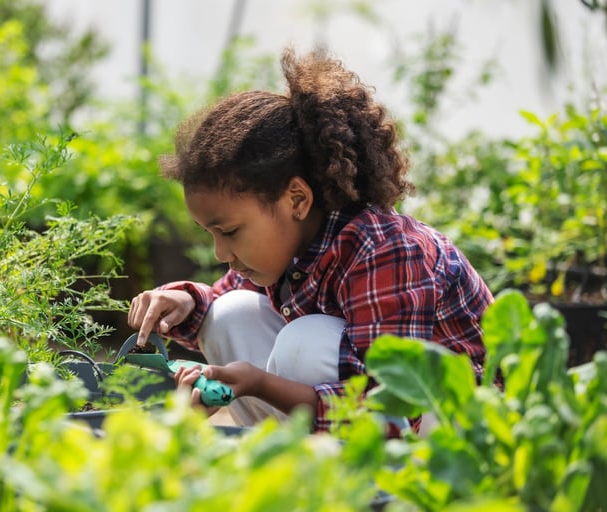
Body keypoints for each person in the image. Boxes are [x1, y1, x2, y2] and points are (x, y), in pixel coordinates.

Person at [127, 47, 493, 434]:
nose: (221, 253)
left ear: (296, 200)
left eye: (230, 232)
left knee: (306, 342)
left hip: (460, 421)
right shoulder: (288, 248)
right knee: (229, 314)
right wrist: (183, 302)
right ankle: (296, 467)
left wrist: (262, 385)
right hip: (370, 415)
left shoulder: (384, 250)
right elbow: (220, 301)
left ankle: (366, 486)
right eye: (210, 234)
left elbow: (392, 406)